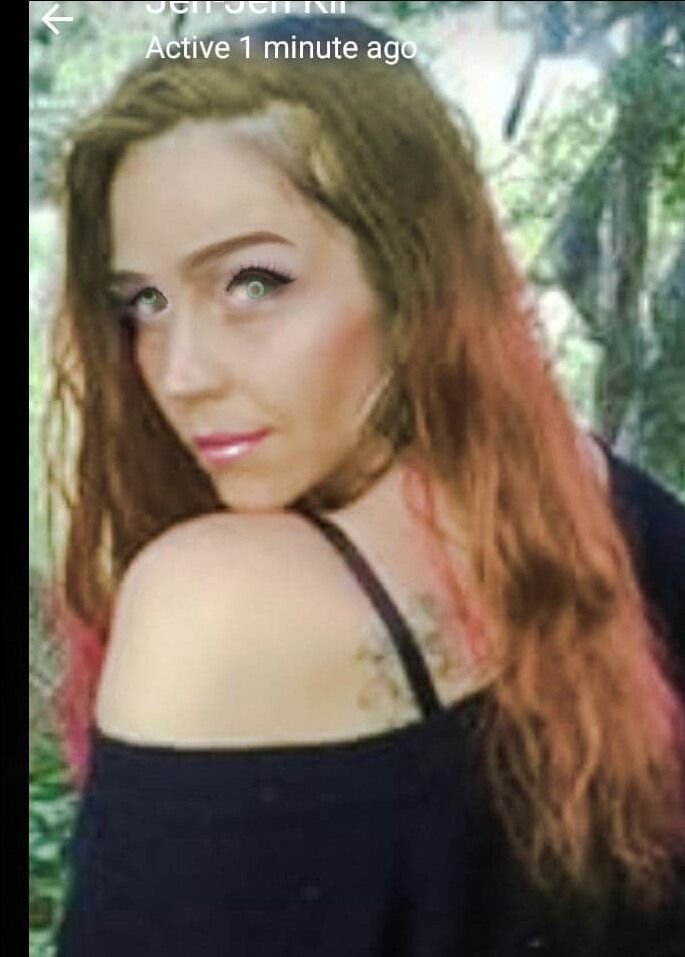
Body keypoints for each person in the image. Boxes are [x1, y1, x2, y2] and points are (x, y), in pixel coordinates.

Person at [45, 13, 685, 957]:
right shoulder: (582, 487)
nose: (178, 373)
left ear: (414, 274)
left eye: (253, 283)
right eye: (143, 301)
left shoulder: (217, 601)